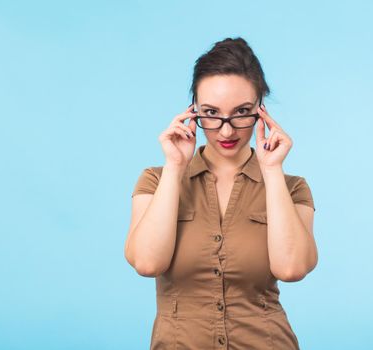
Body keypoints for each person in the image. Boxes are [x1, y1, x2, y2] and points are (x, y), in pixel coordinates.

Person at [125, 37, 317, 350]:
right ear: (192, 112)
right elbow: (147, 263)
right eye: (211, 113)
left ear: (261, 111)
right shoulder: (155, 180)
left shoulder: (291, 187)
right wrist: (174, 168)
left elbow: (292, 268)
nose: (226, 131)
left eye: (242, 112)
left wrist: (271, 171)